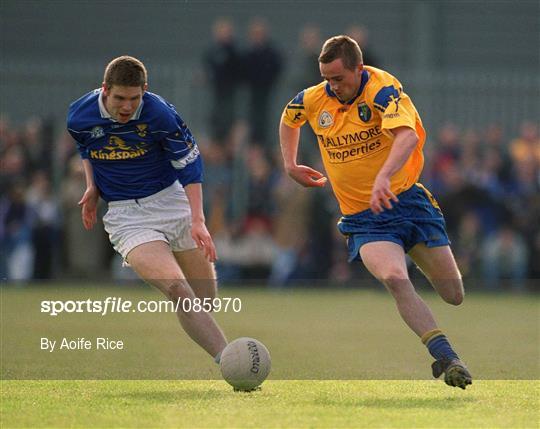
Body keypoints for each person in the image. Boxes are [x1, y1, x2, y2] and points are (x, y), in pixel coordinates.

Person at [279, 36, 472, 389]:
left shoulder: (383, 89)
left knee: (453, 295)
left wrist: (384, 175)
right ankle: (447, 356)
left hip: (409, 203)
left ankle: (415, 250)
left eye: (339, 78)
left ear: (359, 68)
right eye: (326, 79)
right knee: (395, 278)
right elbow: (289, 118)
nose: (332, 86)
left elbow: (408, 137)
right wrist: (290, 164)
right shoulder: (313, 98)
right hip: (363, 218)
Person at [67, 56, 227, 364]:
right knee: (178, 289)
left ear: (145, 91)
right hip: (127, 217)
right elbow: (85, 147)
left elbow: (190, 165)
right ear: (105, 90)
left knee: (204, 300)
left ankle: (217, 346)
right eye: (119, 99)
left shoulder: (160, 115)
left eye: (134, 98)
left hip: (171, 201)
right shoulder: (79, 115)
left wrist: (198, 220)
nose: (127, 107)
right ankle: (228, 358)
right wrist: (92, 186)